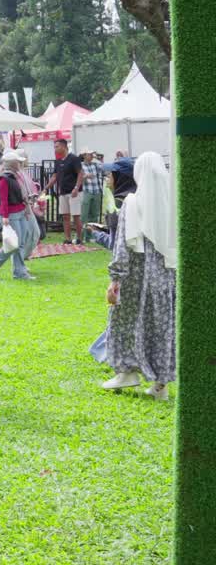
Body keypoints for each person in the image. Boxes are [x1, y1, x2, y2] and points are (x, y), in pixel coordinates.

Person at [101, 152, 175, 399]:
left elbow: (123, 246)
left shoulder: (132, 203)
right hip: (165, 279)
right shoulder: (173, 206)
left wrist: (115, 279)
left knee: (123, 323)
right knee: (161, 329)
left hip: (134, 278)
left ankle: (126, 372)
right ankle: (160, 386)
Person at [0, 152, 36, 281]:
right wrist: (5, 217)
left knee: (20, 244)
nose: (20, 164)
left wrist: (25, 209)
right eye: (18, 162)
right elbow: (4, 200)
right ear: (12, 164)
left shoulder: (13, 176)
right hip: (11, 215)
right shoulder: (4, 179)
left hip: (19, 212)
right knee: (15, 244)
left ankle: (19, 272)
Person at [41, 138, 85, 244]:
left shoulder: (74, 158)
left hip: (74, 192)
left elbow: (80, 173)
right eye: (54, 147)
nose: (55, 149)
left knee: (76, 216)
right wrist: (46, 188)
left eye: (57, 147)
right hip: (63, 192)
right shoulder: (58, 161)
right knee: (65, 216)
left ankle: (79, 239)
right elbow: (54, 176)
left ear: (64, 147)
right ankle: (68, 239)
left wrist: (76, 188)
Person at [78, 147, 105, 237]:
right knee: (84, 215)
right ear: (84, 155)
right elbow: (77, 179)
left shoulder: (95, 165)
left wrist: (100, 159)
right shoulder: (80, 165)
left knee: (94, 215)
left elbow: (104, 169)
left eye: (92, 154)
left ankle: (92, 235)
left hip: (97, 191)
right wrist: (85, 176)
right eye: (89, 154)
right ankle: (82, 236)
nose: (92, 156)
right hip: (86, 191)